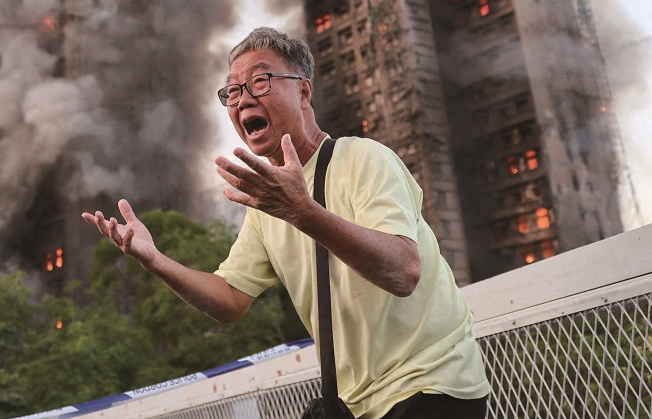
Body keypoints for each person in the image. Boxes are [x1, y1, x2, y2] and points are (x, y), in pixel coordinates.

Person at [83, 27, 490, 418]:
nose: (243, 99)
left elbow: (403, 272)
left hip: (430, 386)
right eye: (233, 91)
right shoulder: (267, 204)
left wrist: (301, 210)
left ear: (304, 91)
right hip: (356, 404)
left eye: (259, 81)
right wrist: (154, 260)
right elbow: (229, 300)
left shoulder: (363, 158)